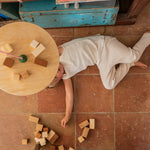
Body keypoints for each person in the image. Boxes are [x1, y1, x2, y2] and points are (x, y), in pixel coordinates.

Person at [49, 32, 150, 128]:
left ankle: (147, 36)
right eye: (55, 77)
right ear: (61, 77)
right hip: (101, 60)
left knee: (134, 56)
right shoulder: (66, 75)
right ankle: (128, 64)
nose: (55, 72)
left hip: (104, 45)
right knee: (109, 85)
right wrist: (67, 115)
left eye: (51, 71)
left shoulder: (58, 54)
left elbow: (45, 54)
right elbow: (69, 96)